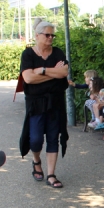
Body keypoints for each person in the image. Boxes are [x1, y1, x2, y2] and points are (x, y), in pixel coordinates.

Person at [19, 20, 69, 188]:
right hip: (36, 103)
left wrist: (41, 70)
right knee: (35, 139)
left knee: (54, 138)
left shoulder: (58, 53)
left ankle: (51, 175)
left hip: (55, 102)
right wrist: (53, 73)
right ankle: (36, 161)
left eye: (52, 35)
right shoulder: (28, 55)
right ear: (37, 36)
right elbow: (28, 78)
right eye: (47, 35)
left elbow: (63, 74)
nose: (50, 38)